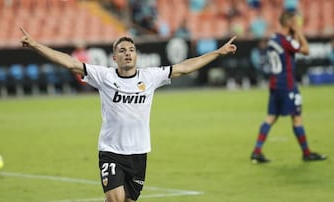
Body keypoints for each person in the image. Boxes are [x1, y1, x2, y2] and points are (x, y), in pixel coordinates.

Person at [20, 27, 237, 202]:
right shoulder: (103, 76)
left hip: (139, 153)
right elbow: (70, 63)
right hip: (111, 151)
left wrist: (218, 52)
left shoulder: (150, 77)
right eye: (122, 50)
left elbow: (184, 68)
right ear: (114, 57)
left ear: (136, 55)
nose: (127, 53)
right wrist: (37, 46)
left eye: (131, 49)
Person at [250, 11, 327, 163]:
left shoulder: (273, 39)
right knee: (297, 118)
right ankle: (306, 153)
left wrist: (294, 34)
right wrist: (298, 32)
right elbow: (305, 50)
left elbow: (291, 47)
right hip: (287, 85)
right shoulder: (286, 41)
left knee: (271, 117)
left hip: (274, 84)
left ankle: (256, 151)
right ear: (290, 23)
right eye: (295, 21)